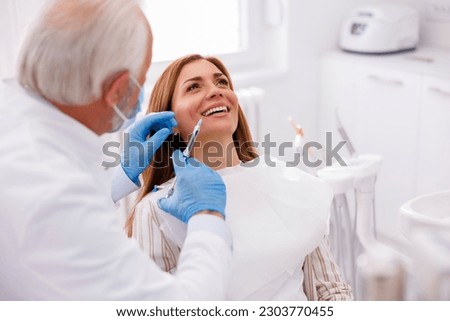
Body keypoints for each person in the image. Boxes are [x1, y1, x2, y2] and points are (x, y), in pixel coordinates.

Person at [0, 0, 233, 300]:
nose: (215, 91)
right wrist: (208, 216)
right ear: (118, 90)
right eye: (143, 76)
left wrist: (121, 176)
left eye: (221, 81)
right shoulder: (55, 198)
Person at [127, 54, 353, 300]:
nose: (216, 91)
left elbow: (331, 290)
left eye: (222, 82)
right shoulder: (156, 210)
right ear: (169, 122)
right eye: (194, 86)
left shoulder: (288, 182)